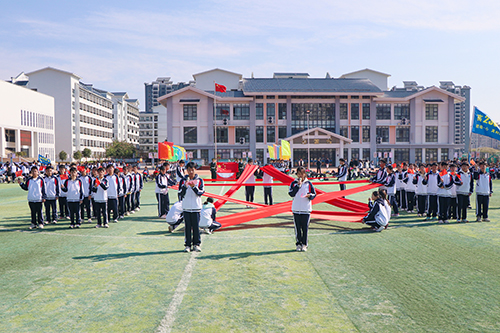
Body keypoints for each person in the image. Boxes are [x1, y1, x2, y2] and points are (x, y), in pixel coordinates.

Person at [288, 166, 316, 252]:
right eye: (298, 174)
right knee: (297, 229)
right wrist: (297, 186)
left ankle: (304, 244)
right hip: (296, 209)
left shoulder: (309, 184)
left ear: (305, 174)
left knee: (305, 228)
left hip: (306, 209)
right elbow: (291, 194)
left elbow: (314, 194)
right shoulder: (293, 183)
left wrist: (310, 196)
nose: (300, 176)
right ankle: (298, 244)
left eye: (302, 173)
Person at [178, 162, 205, 252]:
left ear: (195, 170)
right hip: (186, 207)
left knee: (196, 227)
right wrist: (185, 186)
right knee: (187, 227)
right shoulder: (183, 180)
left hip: (196, 207)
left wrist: (194, 187)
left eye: (192, 170)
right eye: (189, 170)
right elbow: (180, 193)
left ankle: (196, 244)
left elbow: (201, 193)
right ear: (187, 170)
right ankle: (188, 245)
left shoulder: (199, 180)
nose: (191, 172)